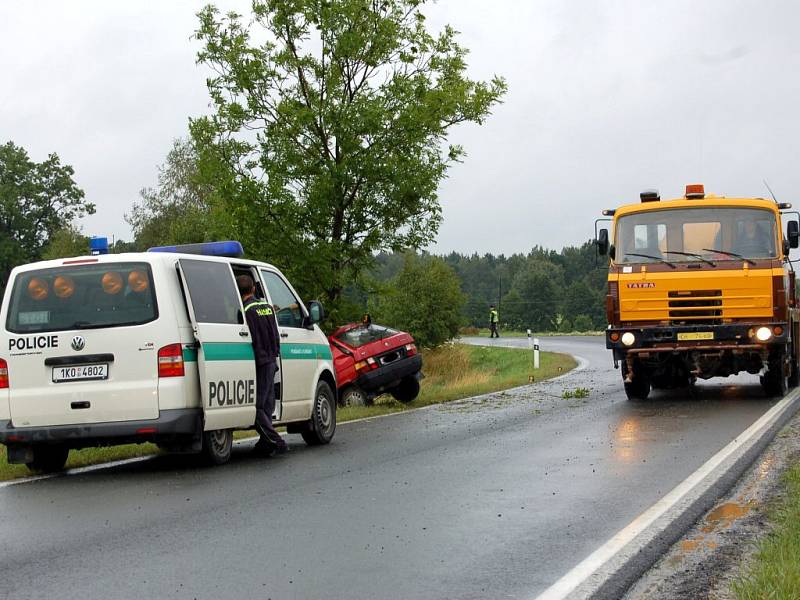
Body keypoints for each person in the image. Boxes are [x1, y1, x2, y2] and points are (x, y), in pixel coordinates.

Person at [236, 275, 289, 456]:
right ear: (253, 289)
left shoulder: (245, 311)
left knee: (257, 407)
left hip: (260, 361)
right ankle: (266, 442)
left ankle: (277, 441)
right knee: (267, 405)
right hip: (272, 359)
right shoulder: (267, 307)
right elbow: (275, 334)